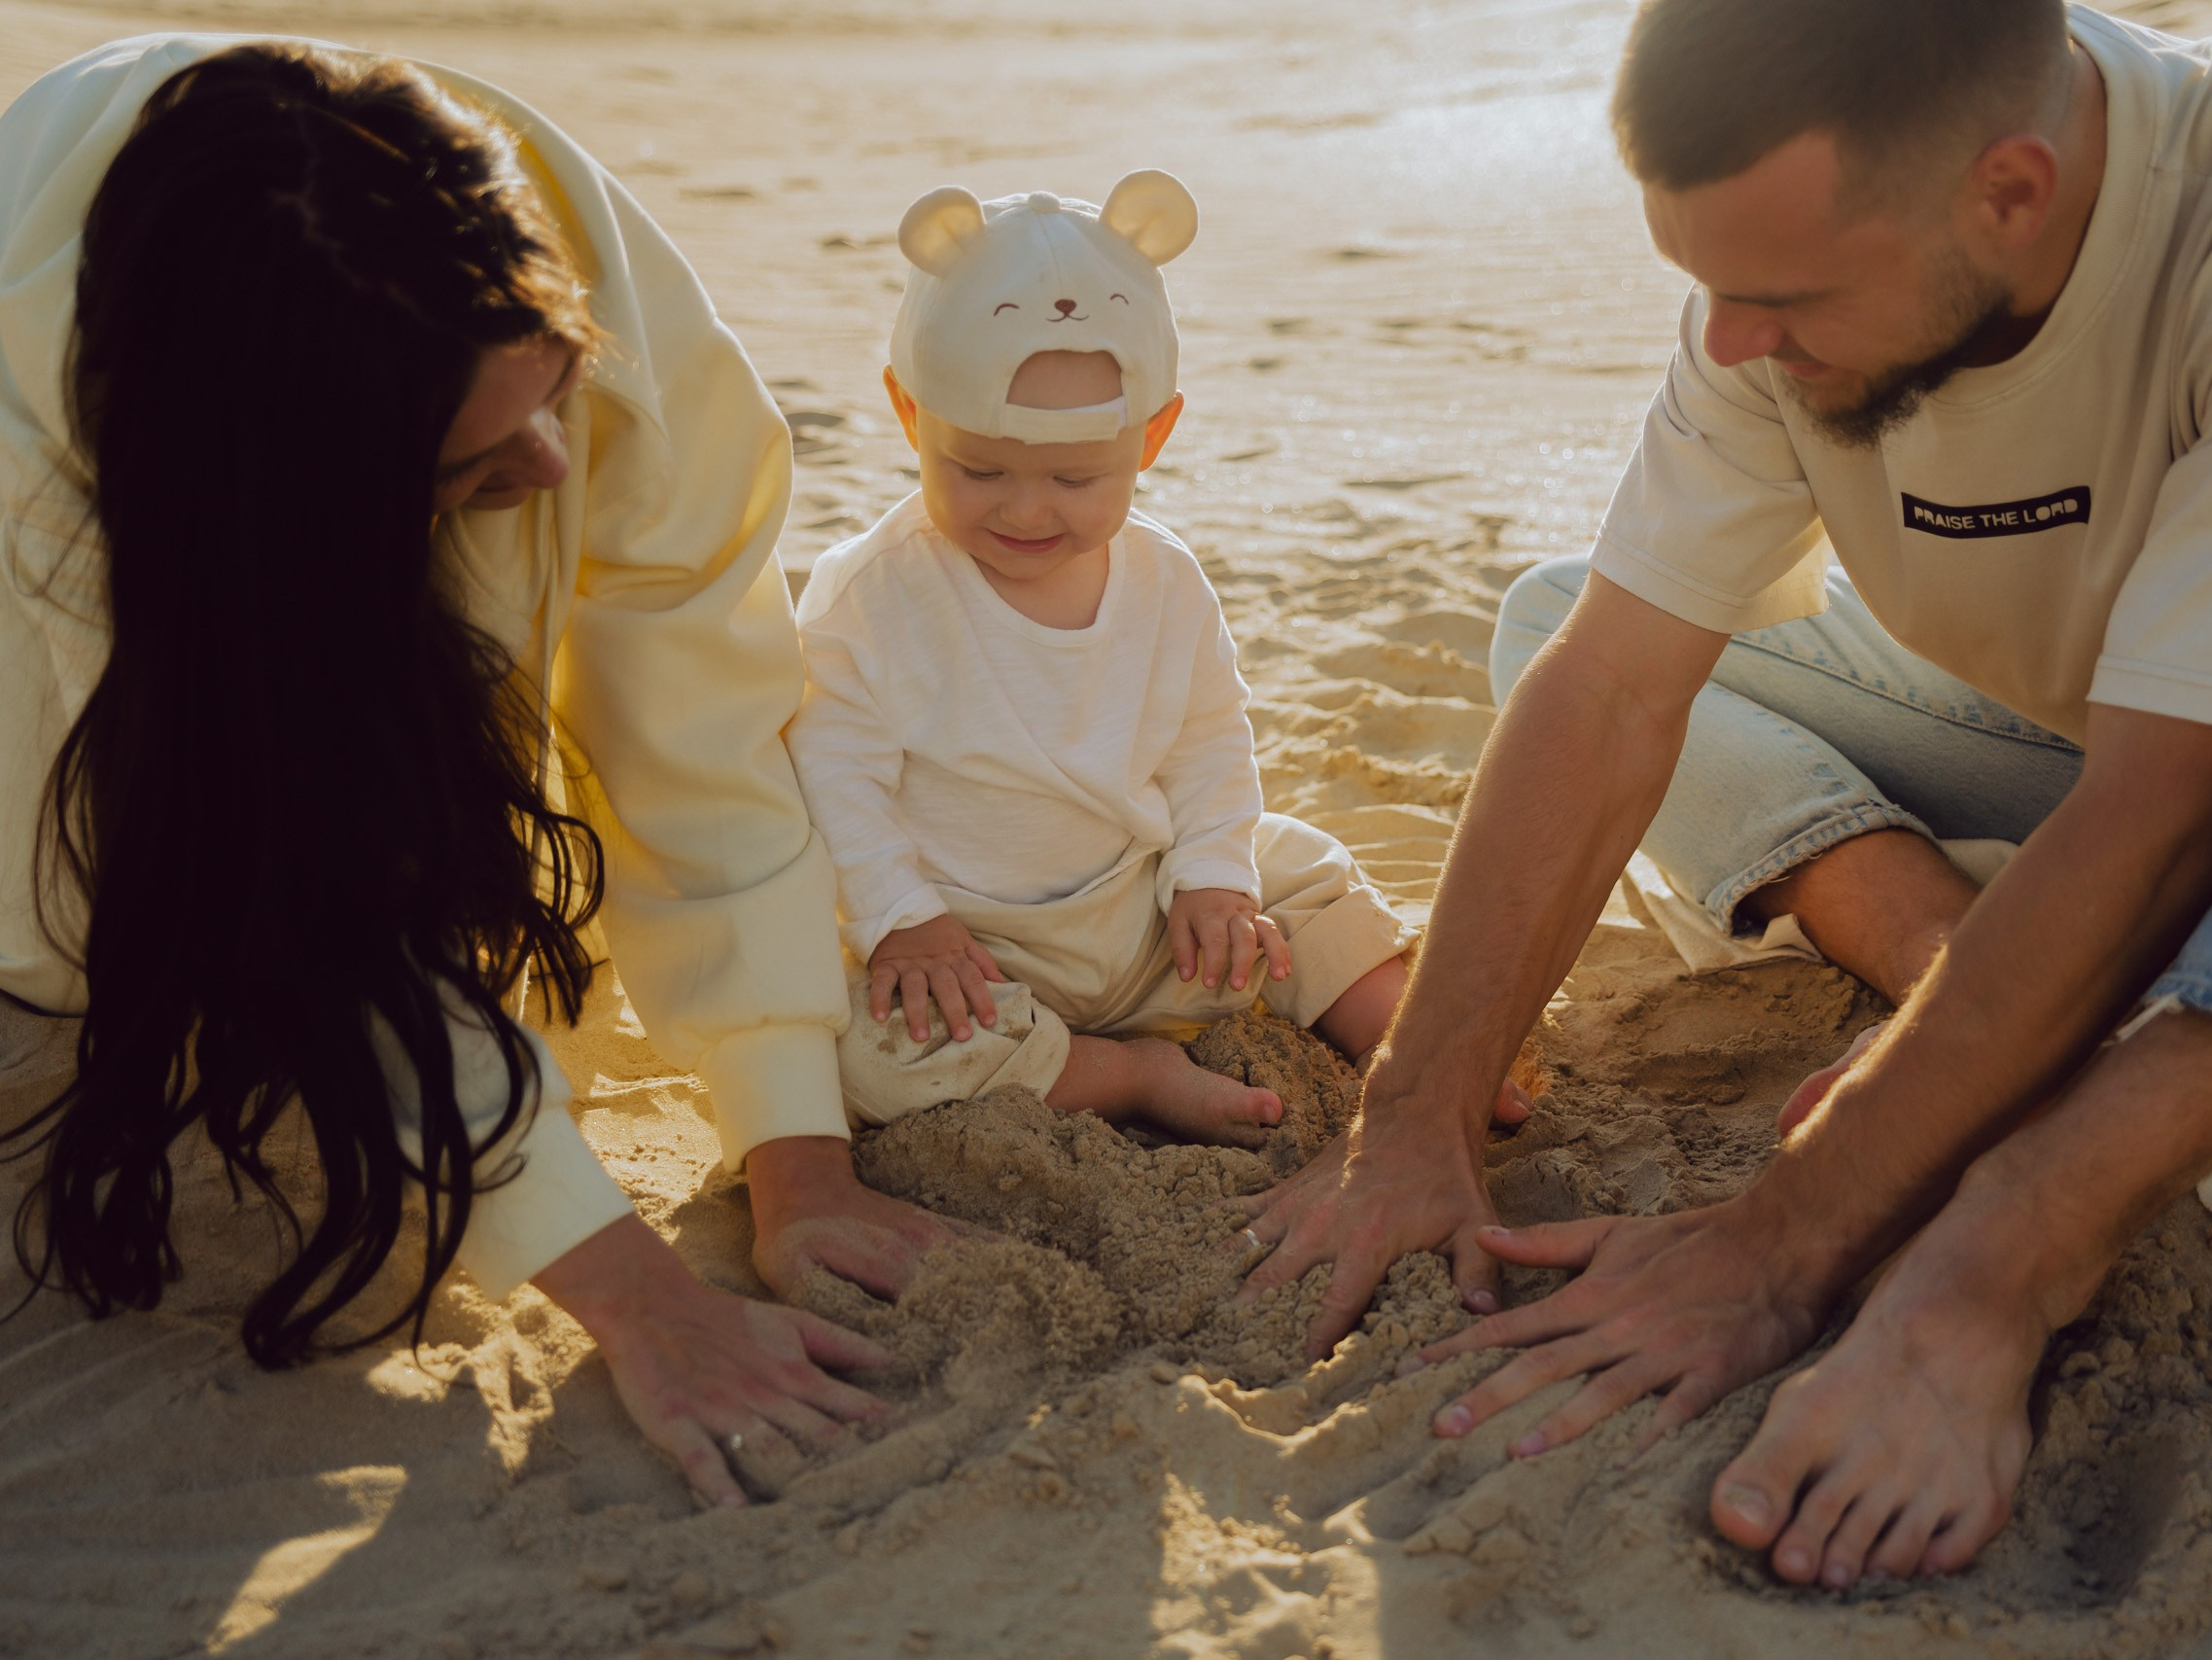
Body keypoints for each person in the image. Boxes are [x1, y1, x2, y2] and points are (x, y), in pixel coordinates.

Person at [1234, 0, 2212, 1585]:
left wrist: (1787, 1239)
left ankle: (1999, 1255)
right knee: (1560, 616)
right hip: (2155, 752)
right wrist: (1412, 1118)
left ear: (2012, 193)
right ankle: (1962, 979)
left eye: (1780, 296)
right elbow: (1618, 687)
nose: (1731, 340)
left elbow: (2179, 808)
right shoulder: (1783, 296)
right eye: (1705, 286)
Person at [0, 35, 963, 1507]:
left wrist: (793, 1145)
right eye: (468, 465)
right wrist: (645, 1300)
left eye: (551, 389)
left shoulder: (543, 235)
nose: (553, 469)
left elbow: (701, 712)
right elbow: (318, 908)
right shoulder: (55, 524)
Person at [785, 176, 1521, 1179]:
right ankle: (1124, 1076)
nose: (1028, 510)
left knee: (1293, 866)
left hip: (1149, 910)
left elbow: (1209, 738)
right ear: (910, 415)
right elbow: (832, 768)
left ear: (1154, 436)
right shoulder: (868, 595)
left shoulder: (1164, 579)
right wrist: (903, 921)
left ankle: (1407, 1044)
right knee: (862, 1052)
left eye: (1078, 479)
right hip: (979, 946)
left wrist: (1212, 874)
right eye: (980, 470)